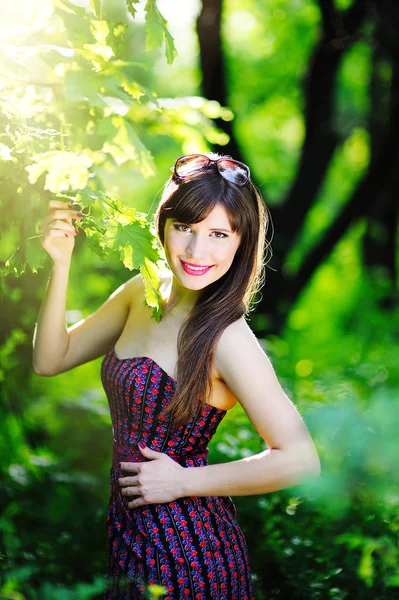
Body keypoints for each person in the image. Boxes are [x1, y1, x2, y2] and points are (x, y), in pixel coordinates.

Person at [33, 153, 321, 600]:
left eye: (218, 234)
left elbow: (301, 460)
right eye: (185, 227)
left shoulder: (227, 336)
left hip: (190, 555)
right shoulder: (142, 292)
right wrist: (61, 263)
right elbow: (51, 359)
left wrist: (184, 481)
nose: (195, 251)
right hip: (129, 538)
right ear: (164, 223)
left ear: (241, 244)